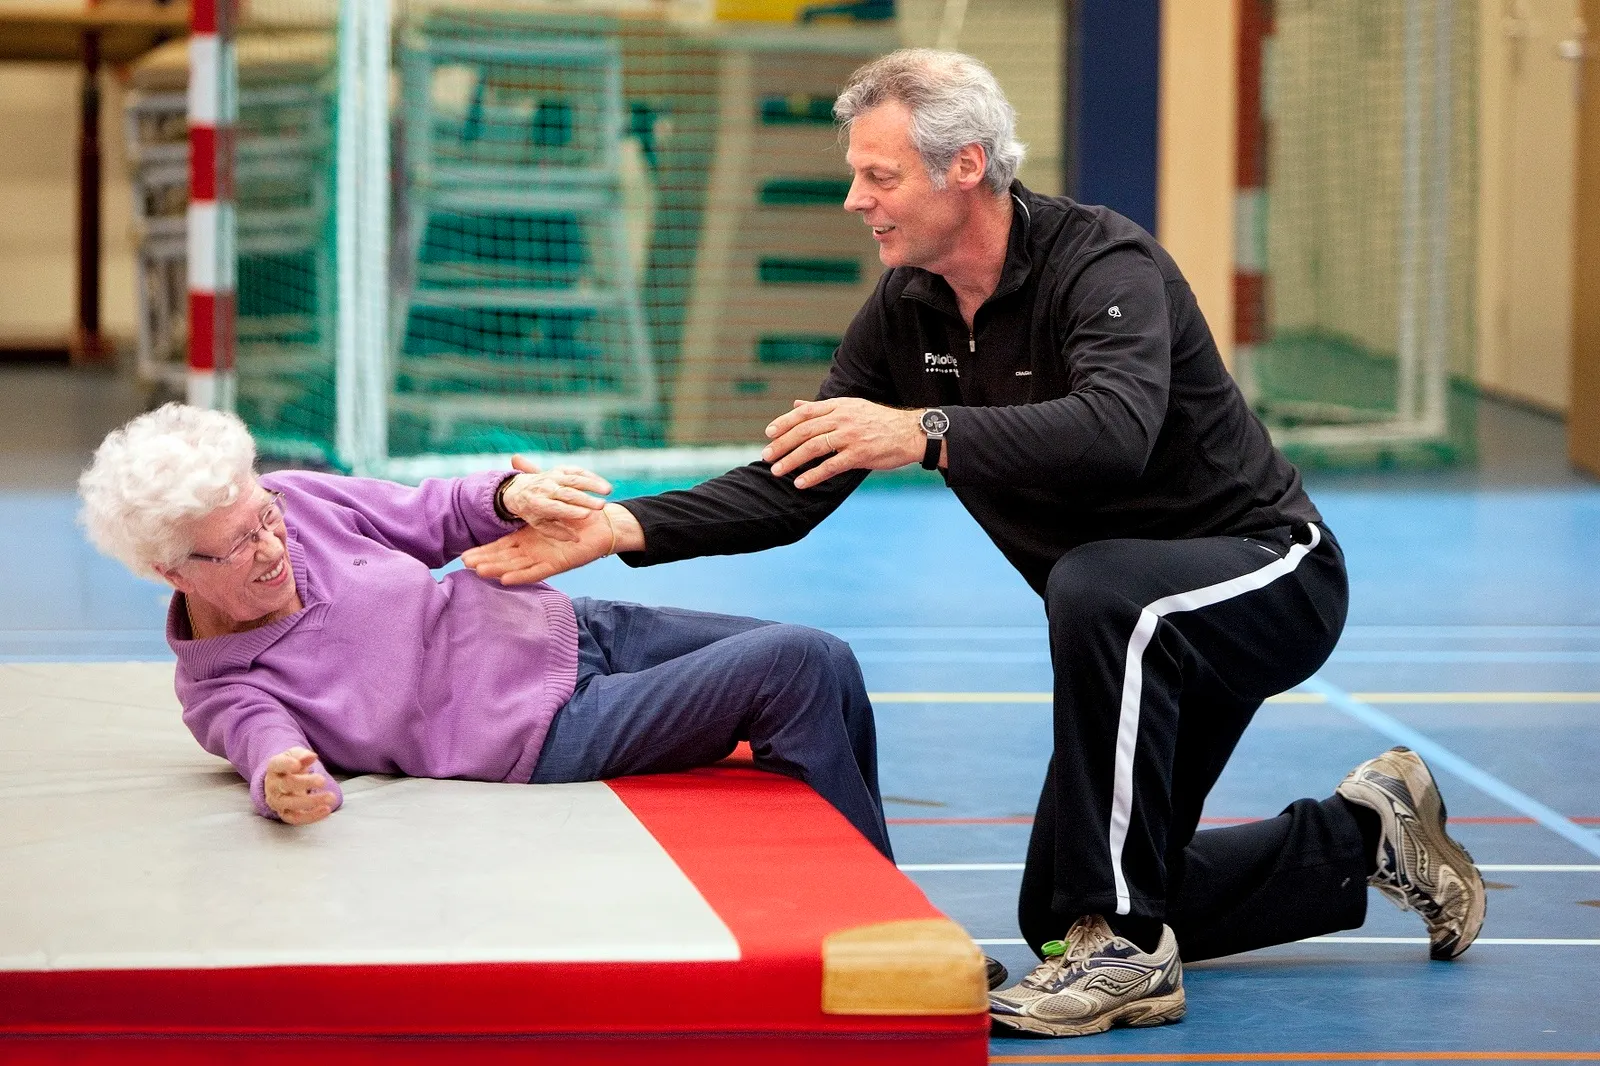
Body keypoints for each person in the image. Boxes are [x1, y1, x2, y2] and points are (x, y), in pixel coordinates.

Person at [459, 48, 1487, 1038]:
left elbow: (1116, 430)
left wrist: (924, 431)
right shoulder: (907, 310)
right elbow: (795, 485)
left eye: (878, 175)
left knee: (1097, 606)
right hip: (1134, 629)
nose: (856, 201)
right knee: (1056, 904)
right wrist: (617, 527)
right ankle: (1364, 834)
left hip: (1267, 577)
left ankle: (1123, 950)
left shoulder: (1103, 264)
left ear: (964, 168)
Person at [76, 403, 891, 860]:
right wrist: (281, 782)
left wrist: (510, 498)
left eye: (266, 517)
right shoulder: (222, 685)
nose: (273, 545)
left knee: (832, 662)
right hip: (546, 731)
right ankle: (874, 926)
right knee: (799, 664)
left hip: (575, 627)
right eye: (241, 543)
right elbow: (264, 746)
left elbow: (428, 513)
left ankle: (872, 893)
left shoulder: (299, 502)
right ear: (171, 571)